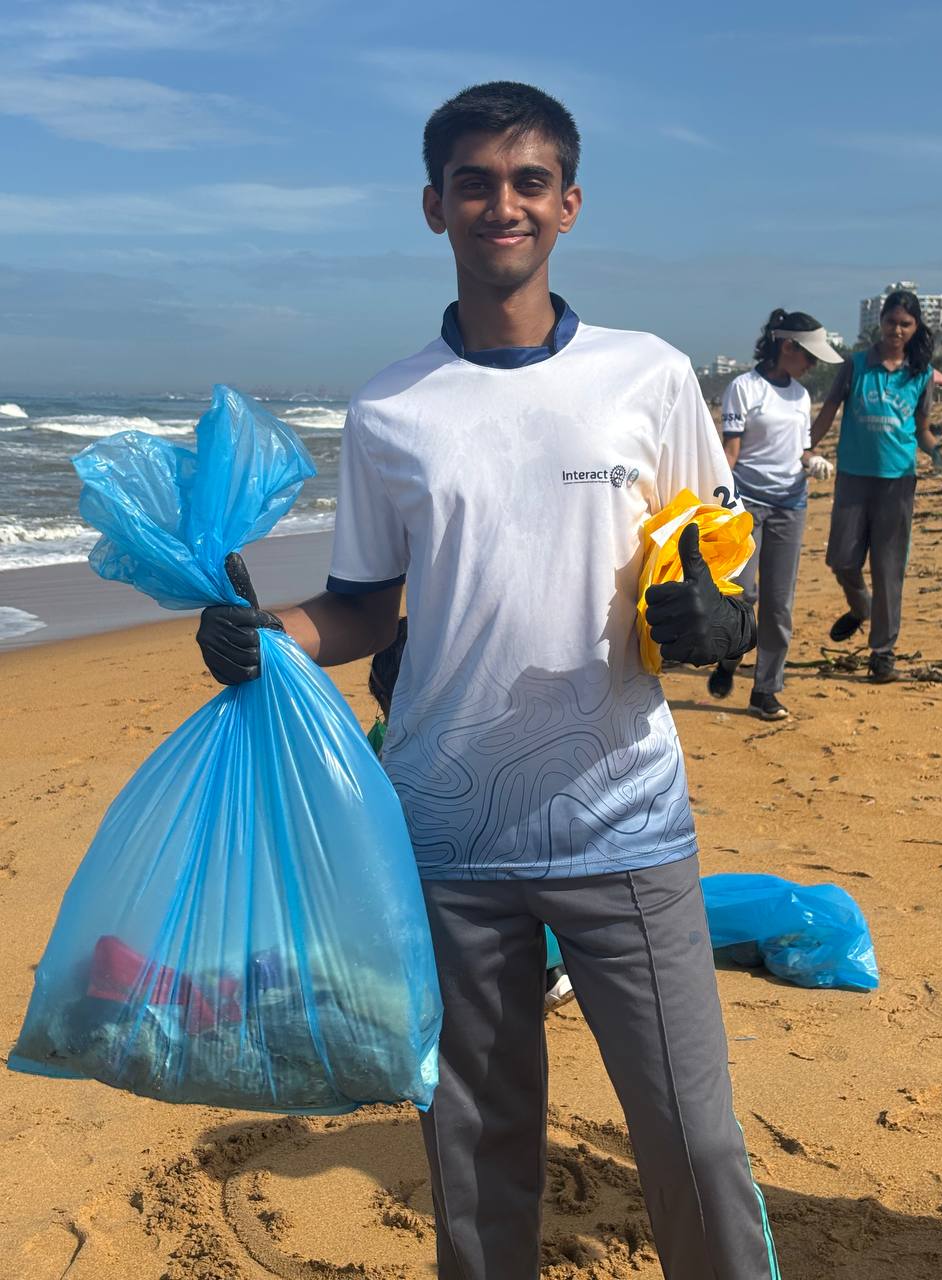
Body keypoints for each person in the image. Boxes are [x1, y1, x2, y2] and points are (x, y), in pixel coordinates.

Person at [196, 82, 778, 1280]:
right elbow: (366, 603)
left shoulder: (649, 376)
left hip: (624, 818)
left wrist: (721, 617)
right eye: (473, 182)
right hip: (446, 836)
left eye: (526, 182)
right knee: (473, 1148)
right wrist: (271, 634)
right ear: (433, 206)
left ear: (568, 204)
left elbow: (718, 548)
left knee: (694, 1139)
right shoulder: (393, 407)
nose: (499, 204)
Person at [368, 617, 576, 1013]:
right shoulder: (478, 754)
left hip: (414, 916)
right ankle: (549, 970)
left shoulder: (374, 749)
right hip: (494, 912)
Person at [707, 310, 842, 719]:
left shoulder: (800, 395)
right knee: (744, 594)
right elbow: (729, 453)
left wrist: (813, 461)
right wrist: (720, 502)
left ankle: (765, 689)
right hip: (747, 504)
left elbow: (801, 449)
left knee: (779, 605)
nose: (813, 365)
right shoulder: (743, 388)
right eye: (810, 356)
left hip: (790, 505)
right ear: (787, 346)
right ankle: (731, 656)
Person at [811, 288, 942, 682]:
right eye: (891, 322)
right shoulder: (855, 366)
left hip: (897, 483)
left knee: (889, 570)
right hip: (853, 478)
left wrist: (940, 454)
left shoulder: (920, 373)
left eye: (905, 324)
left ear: (915, 327)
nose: (897, 330)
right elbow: (828, 413)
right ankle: (861, 608)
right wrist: (803, 448)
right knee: (841, 559)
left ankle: (882, 651)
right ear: (880, 322)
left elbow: (922, 431)